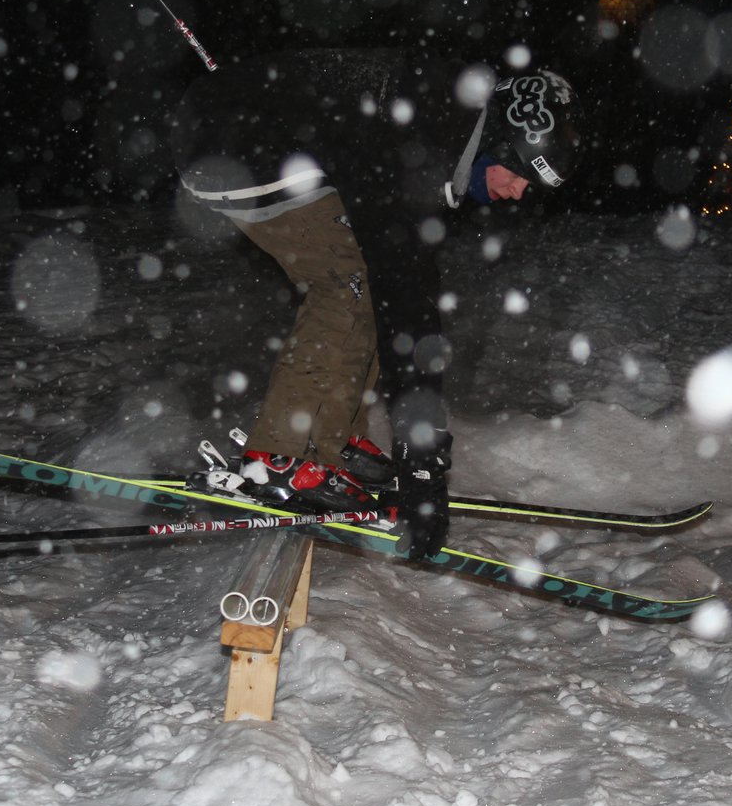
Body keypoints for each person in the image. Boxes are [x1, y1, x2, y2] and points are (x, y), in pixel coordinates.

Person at [172, 49, 584, 558]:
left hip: (243, 132)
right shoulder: (423, 140)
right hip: (231, 144)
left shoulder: (443, 117)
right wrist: (421, 462)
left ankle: (328, 439)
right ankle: (281, 456)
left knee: (365, 279)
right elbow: (408, 300)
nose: (521, 192)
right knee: (352, 282)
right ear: (499, 141)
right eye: (522, 173)